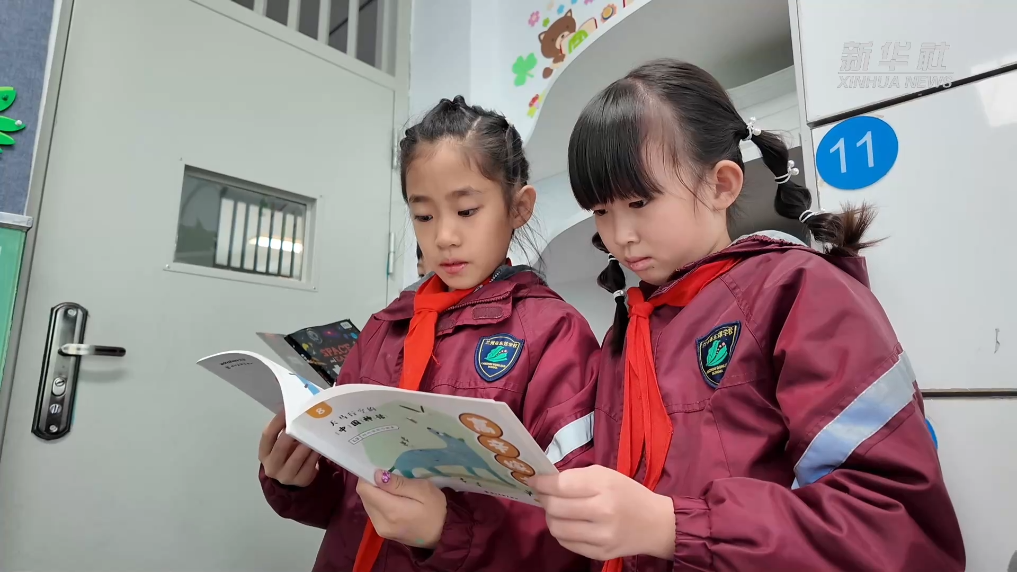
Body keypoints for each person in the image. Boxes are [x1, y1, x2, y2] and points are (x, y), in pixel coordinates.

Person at [531, 59, 965, 571]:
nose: (619, 235)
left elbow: (893, 525)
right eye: (601, 211)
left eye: (640, 201)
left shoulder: (798, 292)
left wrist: (674, 528)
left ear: (721, 185)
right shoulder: (627, 330)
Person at [258, 95, 599, 572]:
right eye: (423, 216)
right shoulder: (385, 327)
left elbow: (576, 529)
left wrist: (447, 531)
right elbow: (349, 502)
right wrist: (298, 480)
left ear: (519, 207)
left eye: (466, 210)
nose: (443, 237)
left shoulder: (554, 334)